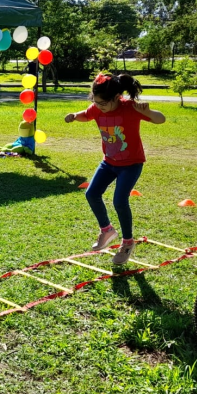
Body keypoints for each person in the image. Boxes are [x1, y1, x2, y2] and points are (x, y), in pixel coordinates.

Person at [64, 73, 166, 264]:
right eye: (96, 102)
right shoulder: (97, 108)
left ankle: (127, 243)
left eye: (103, 103)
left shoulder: (130, 107)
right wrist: (75, 116)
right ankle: (107, 230)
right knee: (91, 194)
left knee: (119, 201)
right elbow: (86, 114)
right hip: (109, 162)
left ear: (117, 97)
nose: (99, 106)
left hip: (131, 164)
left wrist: (149, 112)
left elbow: (161, 119)